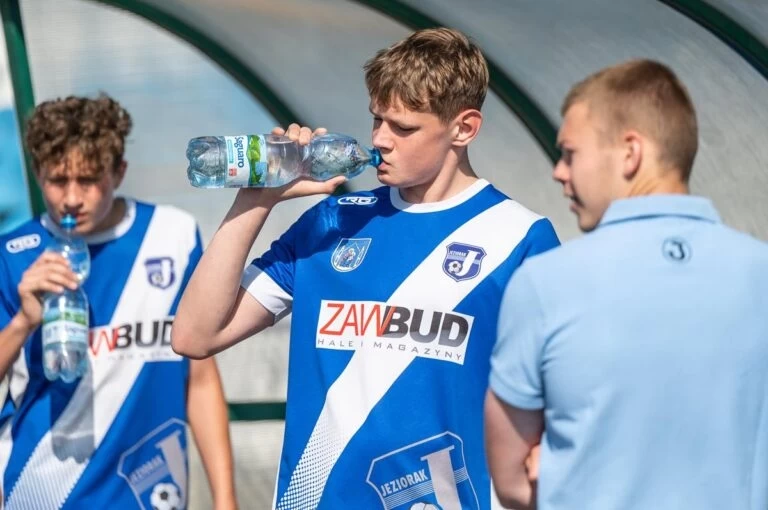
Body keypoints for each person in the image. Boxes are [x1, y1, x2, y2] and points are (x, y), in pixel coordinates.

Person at [172, 27, 560, 509]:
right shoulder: (334, 220)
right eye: (377, 119)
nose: (380, 139)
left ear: (464, 128)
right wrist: (256, 201)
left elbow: (557, 404)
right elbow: (194, 336)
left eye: (404, 128)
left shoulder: (521, 238)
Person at [484, 59, 768, 510]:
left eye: (570, 153)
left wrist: (563, 467)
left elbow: (513, 481)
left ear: (631, 153)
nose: (559, 172)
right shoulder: (759, 273)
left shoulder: (547, 282)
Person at [0, 95, 237, 509]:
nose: (72, 198)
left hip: (151, 494)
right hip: (40, 494)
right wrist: (23, 322)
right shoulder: (12, 255)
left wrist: (225, 498)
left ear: (119, 171)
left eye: (89, 179)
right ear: (37, 173)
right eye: (57, 180)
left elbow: (199, 378)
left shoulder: (173, 235)